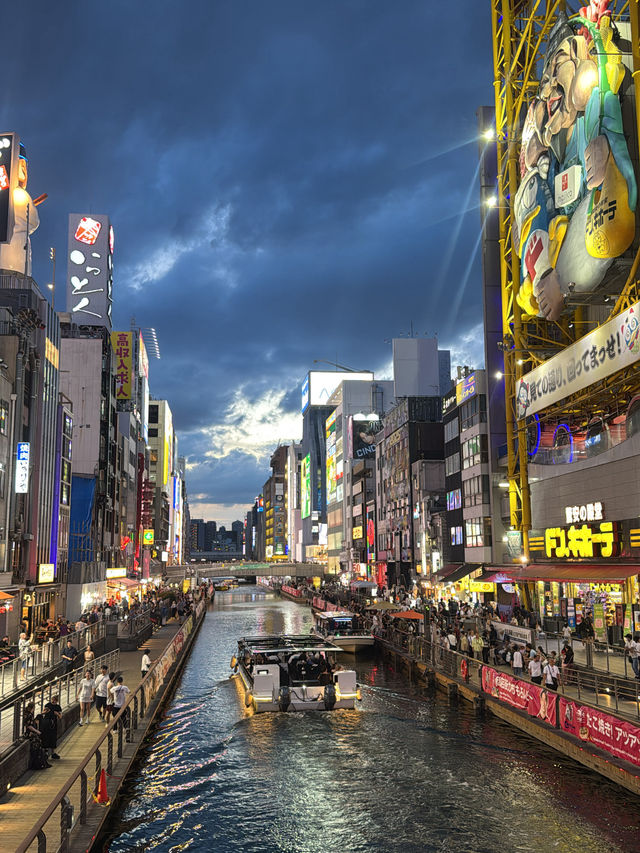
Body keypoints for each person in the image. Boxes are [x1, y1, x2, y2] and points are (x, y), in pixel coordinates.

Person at [23, 702, 50, 769]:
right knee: (38, 743)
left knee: (39, 743)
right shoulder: (29, 715)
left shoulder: (27, 713)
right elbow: (29, 726)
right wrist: (37, 731)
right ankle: (39, 763)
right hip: (30, 733)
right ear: (33, 708)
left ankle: (40, 762)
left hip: (30, 733)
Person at [41, 695, 62, 760]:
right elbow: (42, 712)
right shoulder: (48, 705)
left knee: (53, 737)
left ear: (57, 701)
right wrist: (45, 712)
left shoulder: (58, 707)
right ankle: (46, 752)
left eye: (54, 700)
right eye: (52, 700)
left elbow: (60, 716)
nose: (53, 701)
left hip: (53, 723)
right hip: (47, 723)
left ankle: (53, 753)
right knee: (46, 737)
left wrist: (57, 714)